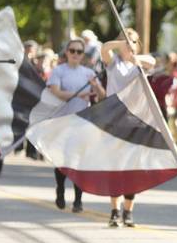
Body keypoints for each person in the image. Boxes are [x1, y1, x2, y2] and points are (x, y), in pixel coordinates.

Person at [100, 28, 156, 227]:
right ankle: (114, 210)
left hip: (135, 120)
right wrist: (120, 44)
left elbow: (152, 62)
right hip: (114, 120)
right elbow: (104, 50)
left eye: (132, 40)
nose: (128, 43)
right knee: (115, 166)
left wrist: (134, 55)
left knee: (132, 167)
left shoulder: (139, 64)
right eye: (124, 39)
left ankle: (128, 211)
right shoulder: (113, 63)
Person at [46, 39, 106, 212]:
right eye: (72, 50)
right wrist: (81, 95)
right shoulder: (58, 71)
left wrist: (96, 87)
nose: (75, 54)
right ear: (66, 52)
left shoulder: (88, 73)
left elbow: (102, 96)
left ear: (83, 55)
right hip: (62, 122)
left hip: (81, 123)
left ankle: (78, 200)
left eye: (79, 52)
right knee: (62, 160)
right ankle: (60, 190)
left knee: (79, 161)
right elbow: (56, 92)